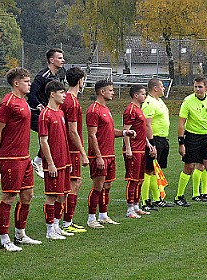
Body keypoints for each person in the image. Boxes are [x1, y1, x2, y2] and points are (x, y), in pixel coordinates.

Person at [0, 68, 42, 251]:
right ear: (16, 83)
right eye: (27, 81)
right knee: (9, 197)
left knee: (27, 195)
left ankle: (20, 234)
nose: (30, 84)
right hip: (10, 157)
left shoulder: (23, 102)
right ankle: (4, 239)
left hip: (24, 157)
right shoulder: (7, 103)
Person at [86, 79, 135, 228]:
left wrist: (125, 132)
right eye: (111, 90)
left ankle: (103, 215)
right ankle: (91, 218)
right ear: (102, 92)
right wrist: (98, 156)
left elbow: (109, 132)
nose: (113, 92)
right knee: (98, 186)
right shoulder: (93, 110)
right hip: (99, 156)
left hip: (110, 154)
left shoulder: (106, 109)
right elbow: (92, 135)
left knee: (107, 186)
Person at [174, 76, 207, 207]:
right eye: (195, 87)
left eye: (200, 87)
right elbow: (181, 123)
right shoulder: (188, 101)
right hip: (192, 137)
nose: (197, 89)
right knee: (189, 167)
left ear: (206, 88)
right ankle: (179, 196)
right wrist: (181, 143)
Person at [39, 80, 72, 240]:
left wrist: (69, 161)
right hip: (53, 163)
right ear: (52, 94)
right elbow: (43, 141)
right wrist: (50, 163)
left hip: (64, 161)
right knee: (51, 195)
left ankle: (57, 226)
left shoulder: (60, 113)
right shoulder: (45, 114)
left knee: (63, 194)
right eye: (61, 92)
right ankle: (49, 229)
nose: (64, 95)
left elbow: (63, 138)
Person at [27, 48, 65, 178]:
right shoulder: (42, 76)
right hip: (35, 113)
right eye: (59, 58)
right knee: (50, 135)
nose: (62, 60)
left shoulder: (56, 77)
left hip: (48, 113)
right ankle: (38, 162)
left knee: (55, 134)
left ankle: (39, 161)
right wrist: (38, 105)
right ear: (51, 60)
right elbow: (31, 93)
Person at [60, 66, 89, 233]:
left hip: (68, 148)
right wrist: (82, 153)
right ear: (80, 81)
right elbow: (72, 131)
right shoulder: (71, 101)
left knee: (72, 183)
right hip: (71, 150)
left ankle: (64, 221)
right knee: (73, 183)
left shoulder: (67, 99)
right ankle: (65, 222)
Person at [122, 85, 156, 218]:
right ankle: (130, 208)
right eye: (142, 93)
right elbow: (126, 131)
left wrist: (148, 144)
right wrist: (128, 148)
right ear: (136, 95)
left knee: (140, 179)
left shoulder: (139, 109)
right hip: (134, 150)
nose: (145, 95)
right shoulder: (130, 110)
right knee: (133, 179)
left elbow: (141, 130)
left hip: (141, 149)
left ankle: (136, 206)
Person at [141, 78, 173, 211]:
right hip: (155, 140)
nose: (164, 88)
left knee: (155, 170)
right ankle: (144, 201)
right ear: (155, 88)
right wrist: (151, 143)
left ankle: (157, 199)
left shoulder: (159, 101)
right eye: (162, 86)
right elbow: (147, 124)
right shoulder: (149, 103)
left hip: (162, 139)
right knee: (148, 170)